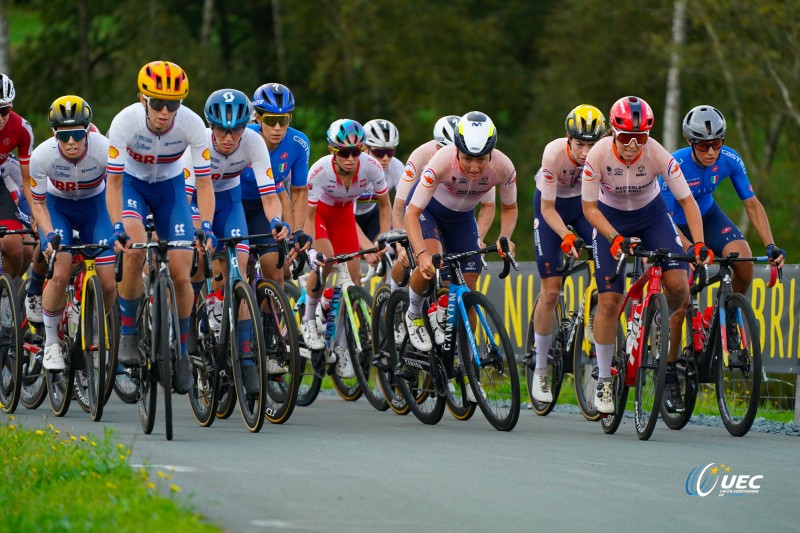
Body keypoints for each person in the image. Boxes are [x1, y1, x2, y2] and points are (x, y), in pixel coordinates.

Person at [581, 96, 711, 415]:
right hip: (609, 219)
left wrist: (698, 244)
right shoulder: (597, 155)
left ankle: (655, 325)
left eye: (639, 138)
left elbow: (687, 202)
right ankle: (603, 377)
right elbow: (588, 208)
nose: (632, 145)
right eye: (625, 137)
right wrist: (613, 238)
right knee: (610, 301)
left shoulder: (656, 153)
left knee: (680, 287)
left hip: (651, 215)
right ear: (613, 132)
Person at [106, 60, 214, 395]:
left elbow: (206, 185)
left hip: (171, 191)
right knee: (136, 251)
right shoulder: (124, 122)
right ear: (143, 99)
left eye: (173, 104)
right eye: (157, 103)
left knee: (183, 271)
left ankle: (181, 352)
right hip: (133, 188)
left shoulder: (193, 125)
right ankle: (128, 332)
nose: (165, 112)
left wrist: (205, 225)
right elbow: (113, 184)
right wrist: (116, 227)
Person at [183, 89, 287, 383]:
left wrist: (277, 221)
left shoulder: (254, 142)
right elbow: (188, 193)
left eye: (236, 130)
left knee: (239, 270)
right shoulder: (200, 142)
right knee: (200, 257)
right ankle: (191, 320)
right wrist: (199, 229)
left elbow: (269, 195)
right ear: (211, 127)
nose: (229, 138)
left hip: (229, 202)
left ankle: (245, 356)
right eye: (222, 130)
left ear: (246, 126)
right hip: (193, 201)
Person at [403, 111, 517, 360]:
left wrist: (504, 236)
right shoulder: (441, 162)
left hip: (462, 219)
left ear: (492, 153)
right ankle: (413, 313)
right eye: (467, 158)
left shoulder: (503, 167)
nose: (475, 167)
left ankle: (465, 361)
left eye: (482, 159)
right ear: (457, 150)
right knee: (432, 262)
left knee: (469, 288)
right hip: (428, 212)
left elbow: (509, 208)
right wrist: (421, 254)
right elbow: (411, 213)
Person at [29, 96, 117, 370]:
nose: (71, 142)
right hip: (58, 209)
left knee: (109, 282)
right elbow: (39, 203)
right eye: (64, 135)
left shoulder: (105, 149)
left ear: (88, 130)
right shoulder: (42, 156)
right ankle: (52, 343)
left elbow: (118, 188)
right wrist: (48, 236)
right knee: (61, 270)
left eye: (77, 134)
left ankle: (92, 325)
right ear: (55, 133)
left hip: (96, 206)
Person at [526, 104, 607, 402]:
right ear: (567, 138)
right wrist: (565, 234)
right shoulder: (553, 153)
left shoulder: (608, 153)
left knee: (606, 261)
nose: (586, 152)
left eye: (593, 144)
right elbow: (547, 208)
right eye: (580, 144)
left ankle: (593, 315)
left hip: (586, 209)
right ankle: (542, 369)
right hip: (551, 208)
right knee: (551, 290)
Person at [660, 105, 786, 295]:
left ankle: (730, 315)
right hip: (675, 224)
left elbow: (752, 204)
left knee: (744, 264)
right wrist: (689, 247)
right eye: (703, 145)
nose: (711, 152)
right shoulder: (674, 165)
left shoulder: (730, 158)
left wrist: (770, 245)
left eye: (717, 143)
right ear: (689, 141)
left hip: (708, 216)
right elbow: (665, 217)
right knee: (680, 304)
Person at [300, 119, 390, 378]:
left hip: (344, 219)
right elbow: (309, 215)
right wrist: (311, 250)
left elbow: (385, 205)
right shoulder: (319, 171)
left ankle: (340, 347)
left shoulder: (372, 167)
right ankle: (308, 319)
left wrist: (382, 238)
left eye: (356, 152)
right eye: (344, 153)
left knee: (353, 280)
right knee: (326, 262)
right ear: (332, 150)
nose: (350, 159)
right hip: (321, 218)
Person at [241, 83, 311, 283]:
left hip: (263, 210)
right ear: (258, 118)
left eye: (283, 120)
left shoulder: (299, 143)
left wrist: (298, 231)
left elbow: (297, 191)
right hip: (233, 204)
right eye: (272, 120)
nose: (278, 128)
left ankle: (269, 314)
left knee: (276, 273)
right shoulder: (244, 137)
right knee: (238, 268)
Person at [0, 73, 34, 280]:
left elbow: (28, 180)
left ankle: (5, 301)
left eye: (5, 110)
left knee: (17, 250)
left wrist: (35, 214)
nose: (1, 117)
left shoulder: (21, 128)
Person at [356, 119, 403, 244]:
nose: (386, 158)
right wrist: (365, 246)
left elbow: (403, 206)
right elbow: (345, 215)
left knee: (390, 247)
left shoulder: (397, 167)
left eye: (390, 152)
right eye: (379, 152)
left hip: (372, 215)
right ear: (364, 148)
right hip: (346, 216)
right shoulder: (354, 166)